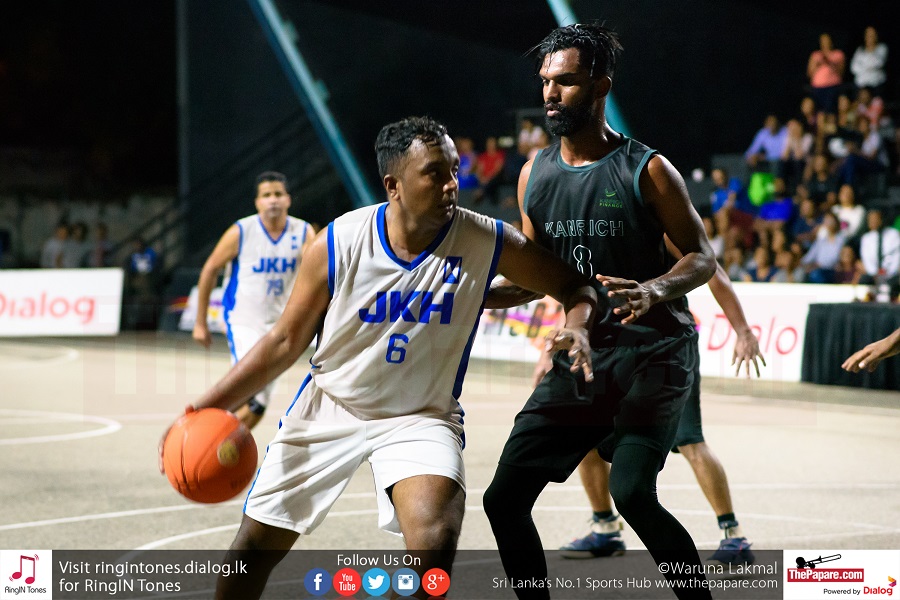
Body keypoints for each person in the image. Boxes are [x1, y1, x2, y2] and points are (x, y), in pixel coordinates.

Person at [160, 117, 598, 600]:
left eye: (455, 170)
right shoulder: (338, 241)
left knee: (434, 543)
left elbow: (573, 284)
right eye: (435, 173)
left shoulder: (483, 238)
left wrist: (577, 323)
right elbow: (284, 341)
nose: (452, 184)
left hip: (420, 416)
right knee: (252, 549)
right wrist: (203, 407)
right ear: (393, 185)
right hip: (332, 404)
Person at [482, 24, 717, 600]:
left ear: (601, 85)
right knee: (502, 499)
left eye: (565, 81)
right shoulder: (534, 174)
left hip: (655, 353)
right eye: (545, 81)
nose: (550, 93)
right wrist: (473, 294)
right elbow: (540, 278)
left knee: (632, 493)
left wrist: (654, 290)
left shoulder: (648, 169)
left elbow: (702, 257)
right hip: (585, 354)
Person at [556, 250, 765, 565]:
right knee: (586, 434)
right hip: (607, 344)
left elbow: (711, 268)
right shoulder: (582, 231)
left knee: (690, 440)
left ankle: (733, 535)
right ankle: (605, 527)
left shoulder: (662, 223)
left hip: (666, 346)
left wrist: (743, 330)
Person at [191, 171, 314, 430]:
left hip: (280, 324)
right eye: (266, 195)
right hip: (242, 319)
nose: (273, 200)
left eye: (278, 194)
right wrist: (200, 322)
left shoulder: (303, 232)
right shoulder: (241, 231)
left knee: (258, 404)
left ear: (288, 199)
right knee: (249, 385)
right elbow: (210, 269)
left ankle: (224, 445)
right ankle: (198, 431)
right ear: (257, 202)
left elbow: (316, 272)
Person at [858, 208, 900, 297]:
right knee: (864, 280)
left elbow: (897, 256)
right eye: (871, 219)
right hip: (873, 275)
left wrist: (888, 273)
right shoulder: (866, 238)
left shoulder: (894, 234)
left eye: (876, 218)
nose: (873, 221)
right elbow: (866, 259)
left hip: (891, 274)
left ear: (882, 219)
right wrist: (875, 274)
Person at [807, 33, 845, 115]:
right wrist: (818, 64)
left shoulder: (838, 54)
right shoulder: (815, 55)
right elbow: (809, 72)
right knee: (819, 111)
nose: (825, 43)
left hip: (832, 87)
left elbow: (841, 71)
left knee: (830, 111)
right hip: (818, 87)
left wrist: (829, 62)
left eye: (827, 40)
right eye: (823, 41)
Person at [850, 27, 888, 99]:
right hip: (861, 84)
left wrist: (864, 65)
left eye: (872, 35)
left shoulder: (882, 48)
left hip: (876, 84)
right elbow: (854, 68)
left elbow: (879, 63)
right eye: (868, 35)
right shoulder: (859, 50)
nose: (870, 37)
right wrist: (868, 67)